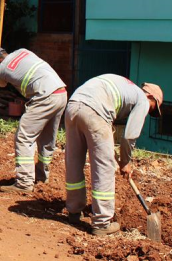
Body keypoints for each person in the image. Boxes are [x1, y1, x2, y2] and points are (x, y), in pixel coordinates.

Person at [64, 75, 163, 236]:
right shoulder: (143, 100)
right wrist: (125, 162)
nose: (149, 111)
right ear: (150, 96)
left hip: (73, 106)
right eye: (153, 107)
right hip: (95, 111)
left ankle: (74, 211)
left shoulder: (126, 87)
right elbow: (130, 136)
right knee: (104, 167)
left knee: (74, 161)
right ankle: (102, 223)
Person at [0, 46, 67, 193]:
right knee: (47, 139)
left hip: (45, 96)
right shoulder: (23, 51)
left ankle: (24, 183)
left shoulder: (2, 69)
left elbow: (1, 83)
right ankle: (42, 177)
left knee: (24, 137)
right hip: (61, 92)